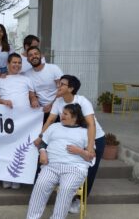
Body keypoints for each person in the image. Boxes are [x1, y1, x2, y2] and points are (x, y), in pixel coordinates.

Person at [36, 75, 103, 213]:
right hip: (75, 137)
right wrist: (40, 136)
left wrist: (90, 148)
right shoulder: (58, 101)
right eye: (59, 83)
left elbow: (91, 124)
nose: (58, 86)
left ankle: (79, 201)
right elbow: (50, 120)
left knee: (89, 172)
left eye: (62, 84)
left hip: (94, 137)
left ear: (71, 88)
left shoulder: (82, 101)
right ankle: (65, 199)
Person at [26, 104, 92, 219]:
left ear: (75, 117)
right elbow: (43, 142)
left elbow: (90, 156)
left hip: (74, 168)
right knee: (40, 185)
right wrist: (42, 152)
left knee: (66, 189)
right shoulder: (54, 127)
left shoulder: (85, 132)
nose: (62, 115)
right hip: (51, 165)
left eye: (65, 114)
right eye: (62, 113)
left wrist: (80, 151)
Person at [0, 53, 39, 189]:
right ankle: (5, 177)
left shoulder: (26, 80)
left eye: (19, 63)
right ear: (8, 64)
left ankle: (17, 177)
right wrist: (3, 101)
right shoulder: (0, 81)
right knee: (6, 148)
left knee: (20, 148)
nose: (17, 65)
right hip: (5, 121)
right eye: (14, 62)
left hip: (24, 121)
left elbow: (32, 96)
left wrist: (34, 100)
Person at [23, 46, 63, 124]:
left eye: (36, 54)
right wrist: (33, 99)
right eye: (30, 55)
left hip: (57, 107)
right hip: (39, 110)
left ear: (41, 55)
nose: (34, 56)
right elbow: (31, 93)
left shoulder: (53, 68)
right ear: (27, 59)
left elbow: (62, 89)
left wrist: (52, 105)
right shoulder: (26, 74)